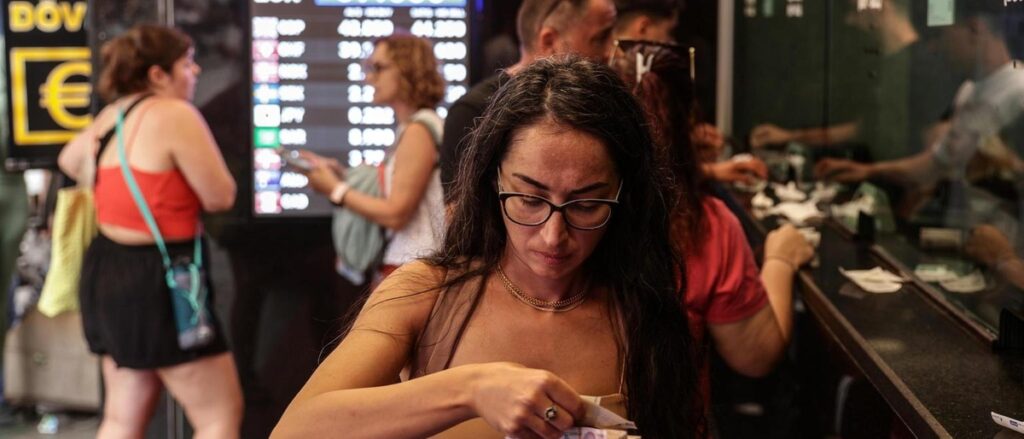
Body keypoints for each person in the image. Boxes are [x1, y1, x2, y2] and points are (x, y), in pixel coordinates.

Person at [272, 56, 702, 438]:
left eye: (587, 205)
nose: (553, 235)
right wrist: (470, 389)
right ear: (492, 183)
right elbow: (296, 430)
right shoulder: (426, 293)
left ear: (625, 199)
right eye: (529, 199)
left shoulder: (639, 312)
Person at [56, 24, 241, 438]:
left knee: (122, 418)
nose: (195, 72)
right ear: (158, 74)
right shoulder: (175, 114)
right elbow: (220, 196)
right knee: (219, 416)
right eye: (186, 64)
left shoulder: (112, 115)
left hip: (108, 270)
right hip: (164, 279)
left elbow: (69, 159)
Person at [611, 40, 813, 385]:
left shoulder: (579, 210)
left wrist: (699, 169)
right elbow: (756, 355)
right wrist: (781, 259)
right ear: (688, 121)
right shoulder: (705, 225)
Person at [813, 1, 1024, 215]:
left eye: (945, 34)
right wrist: (867, 171)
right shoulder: (968, 91)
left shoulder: (1019, 92)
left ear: (974, 29)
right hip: (968, 229)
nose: (940, 45)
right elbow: (936, 163)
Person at [440, 0, 618, 200]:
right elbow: (460, 215)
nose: (611, 52)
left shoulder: (607, 103)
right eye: (600, 39)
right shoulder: (473, 112)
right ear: (549, 41)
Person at [302, 34, 446, 280]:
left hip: (413, 270)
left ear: (407, 69)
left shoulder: (419, 130)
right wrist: (340, 175)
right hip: (410, 267)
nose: (369, 78)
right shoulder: (415, 127)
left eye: (378, 68)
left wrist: (336, 190)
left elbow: (396, 214)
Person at [612, 0, 768, 186]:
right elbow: (641, 177)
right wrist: (711, 171)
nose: (672, 43)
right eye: (669, 32)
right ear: (643, 28)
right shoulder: (619, 91)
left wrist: (687, 143)